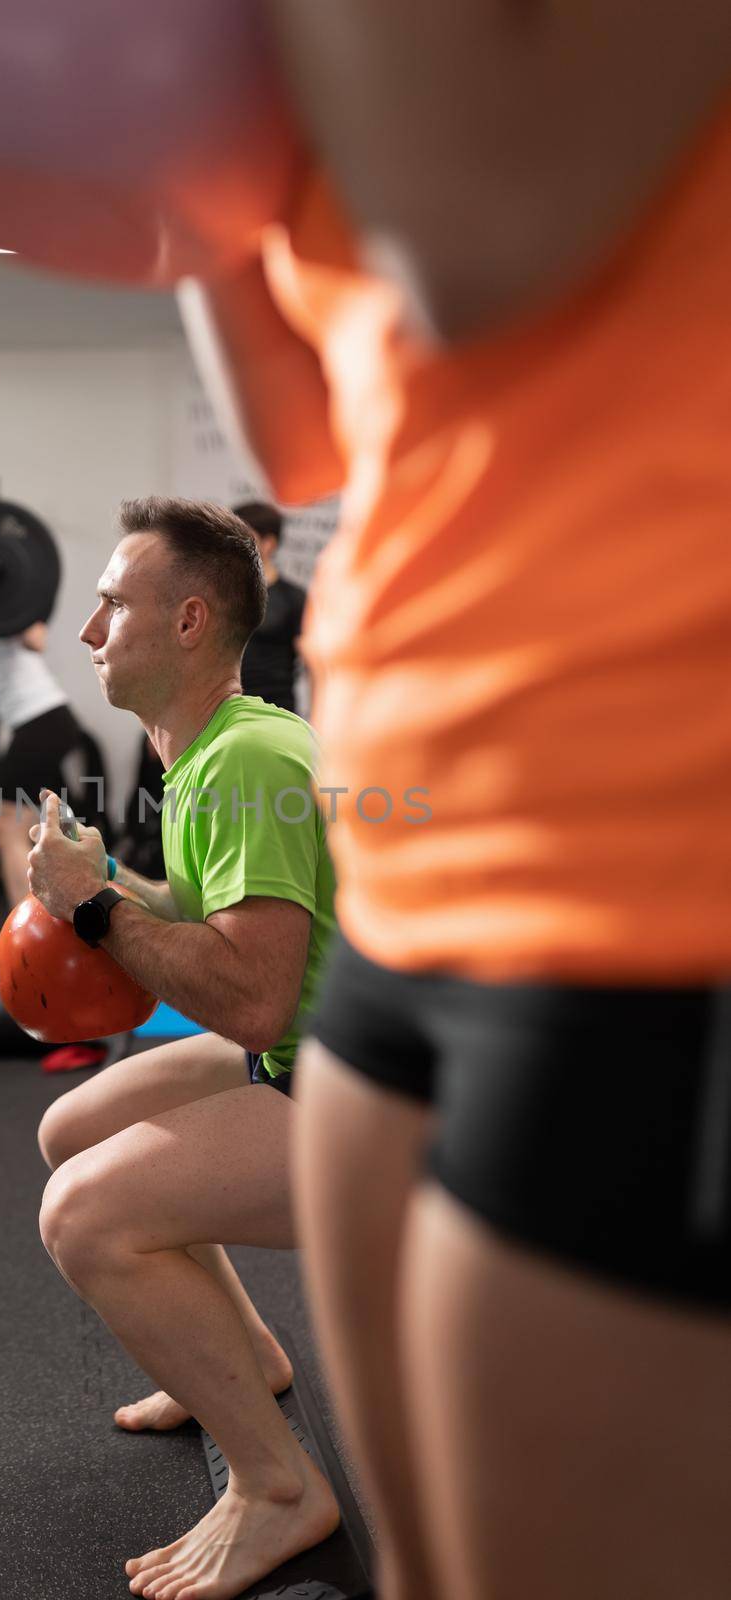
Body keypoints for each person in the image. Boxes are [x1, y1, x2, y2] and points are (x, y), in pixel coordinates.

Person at [179, 13, 731, 1600]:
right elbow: (301, 435)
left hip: (644, 858)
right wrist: (177, 173)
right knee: (425, 1566)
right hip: (422, 864)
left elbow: (477, 231)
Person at [27, 496, 340, 1599]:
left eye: (111, 604)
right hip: (307, 1050)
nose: (88, 630)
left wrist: (98, 913)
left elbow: (248, 999)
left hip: (370, 1098)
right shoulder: (207, 751)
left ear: (191, 621)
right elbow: (211, 928)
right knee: (75, 1126)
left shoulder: (248, 763)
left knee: (84, 1214)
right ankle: (242, 1357)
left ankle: (279, 1489)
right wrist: (104, 884)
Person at [0, 621, 108, 907]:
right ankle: (68, 913)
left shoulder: (11, 602)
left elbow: (36, 638)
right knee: (47, 823)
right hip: (34, 724)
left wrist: (11, 618)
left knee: (6, 826)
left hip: (42, 720)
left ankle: (23, 935)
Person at [231, 501, 308, 714]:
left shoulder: (293, 598)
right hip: (226, 710)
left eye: (244, 537)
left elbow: (313, 665)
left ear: (269, 543)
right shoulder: (222, 595)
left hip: (277, 710)